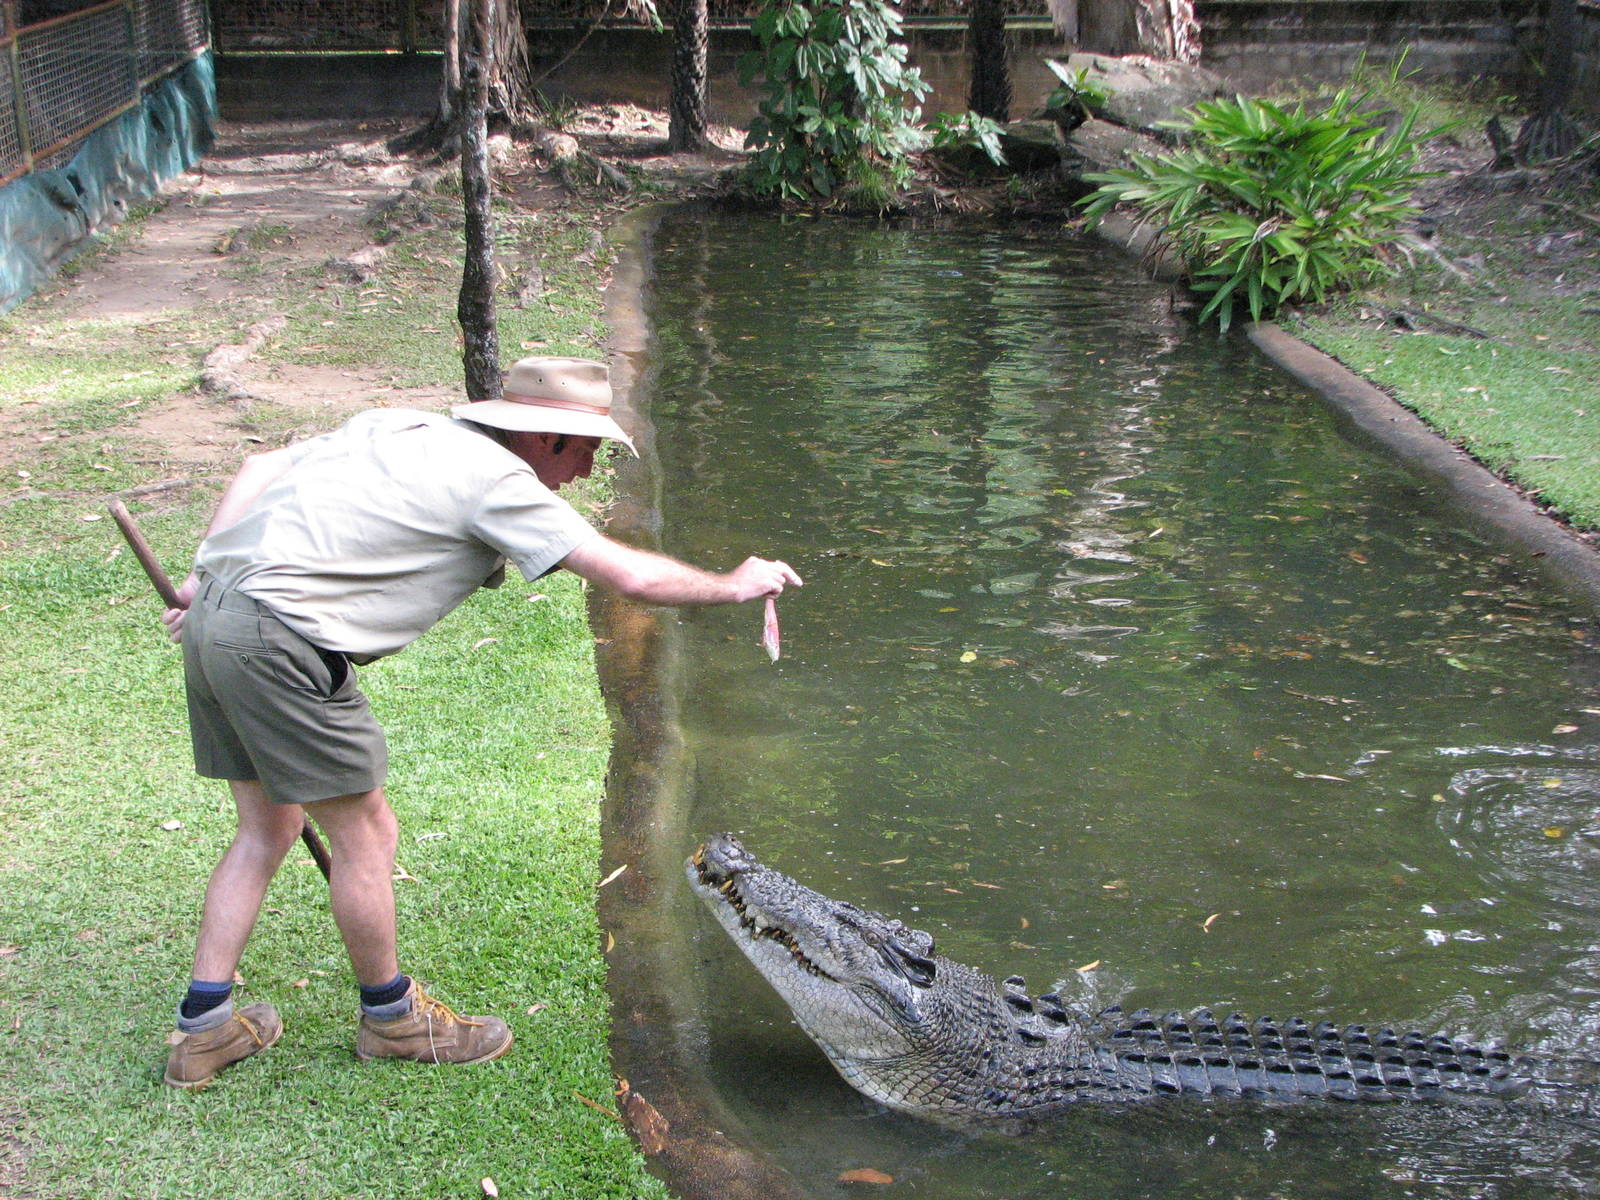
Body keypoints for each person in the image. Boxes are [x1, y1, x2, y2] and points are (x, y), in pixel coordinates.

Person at [159, 355, 800, 1088]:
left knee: (266, 827)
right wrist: (734, 583)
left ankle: (204, 1029)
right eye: (586, 450)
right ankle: (393, 1020)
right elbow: (631, 577)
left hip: (218, 621)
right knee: (368, 830)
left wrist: (206, 573)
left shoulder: (401, 425)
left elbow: (259, 467)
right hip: (280, 643)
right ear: (546, 439)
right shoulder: (502, 486)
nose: (588, 472)